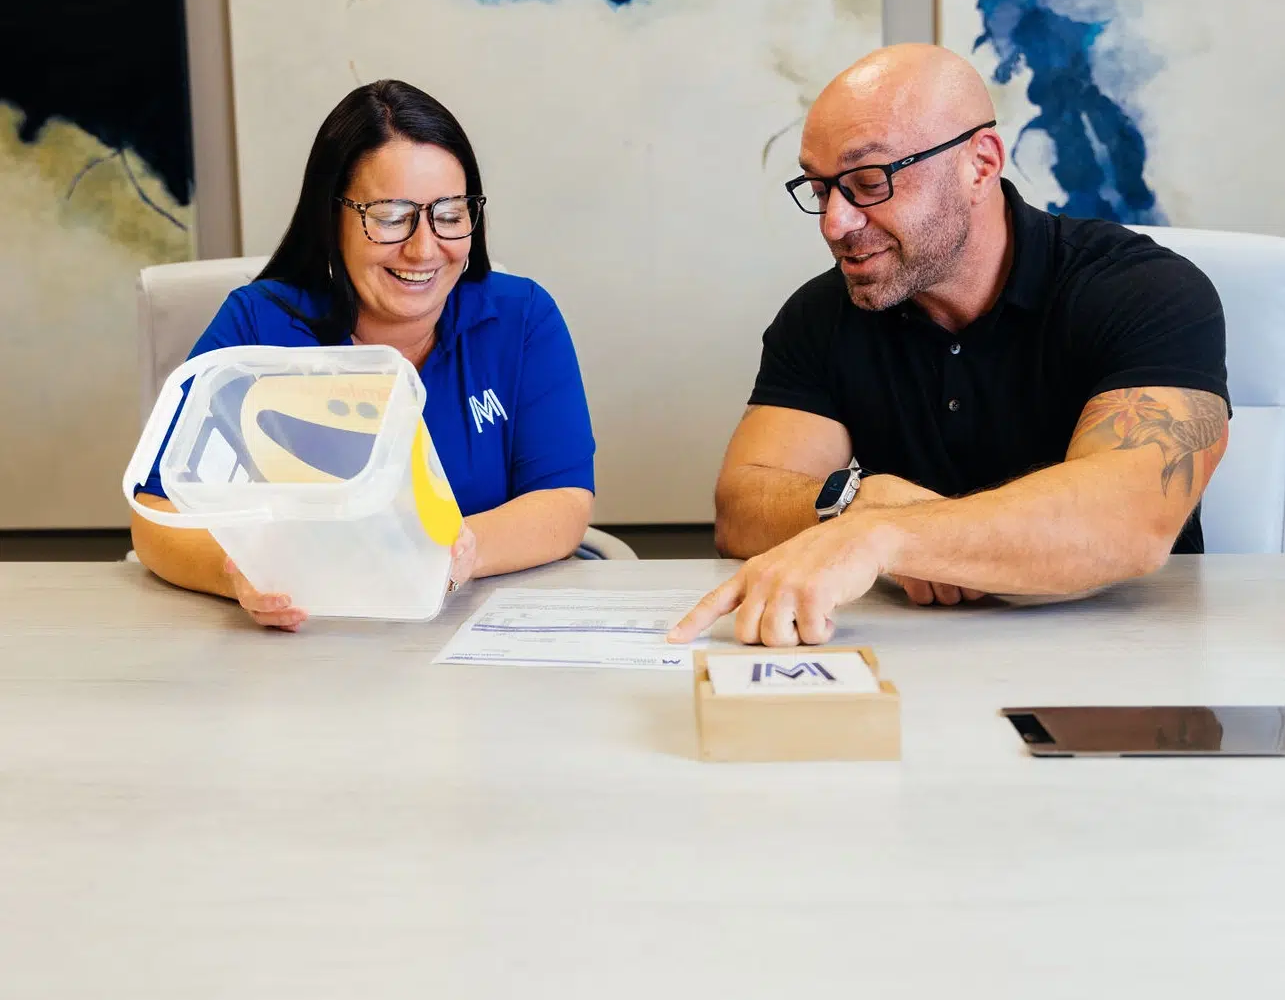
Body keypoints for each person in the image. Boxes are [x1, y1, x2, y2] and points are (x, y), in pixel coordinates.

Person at [670, 44, 1229, 647]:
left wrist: (885, 535)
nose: (835, 223)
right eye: (820, 188)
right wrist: (859, 500)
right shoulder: (822, 313)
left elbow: (1132, 517)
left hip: (1137, 659)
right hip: (917, 654)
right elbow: (742, 506)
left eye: (868, 182)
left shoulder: (1145, 290)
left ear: (980, 164)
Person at [132, 80, 595, 630]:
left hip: (472, 626)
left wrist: (459, 552)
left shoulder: (521, 319)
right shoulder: (257, 324)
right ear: (332, 219)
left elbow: (563, 500)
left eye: (448, 214)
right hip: (300, 641)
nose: (424, 248)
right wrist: (237, 574)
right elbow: (157, 514)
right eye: (391, 216)